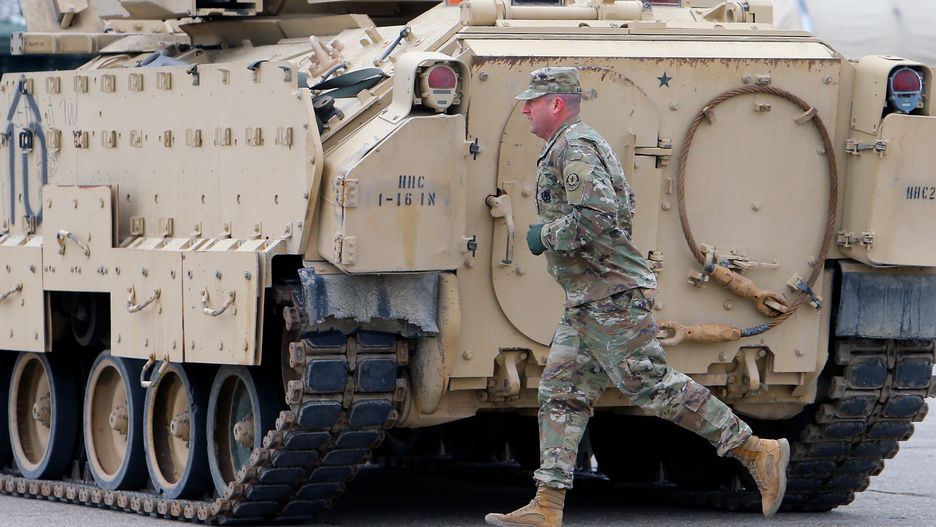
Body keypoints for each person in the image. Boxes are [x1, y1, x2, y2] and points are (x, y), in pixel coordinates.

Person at [484, 67, 790, 527]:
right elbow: (622, 207)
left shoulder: (575, 146)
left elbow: (601, 217)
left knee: (648, 383)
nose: (524, 109)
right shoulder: (578, 143)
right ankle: (547, 505)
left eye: (533, 101)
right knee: (561, 392)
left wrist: (544, 235)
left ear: (556, 104)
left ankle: (754, 450)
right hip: (589, 296)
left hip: (610, 295)